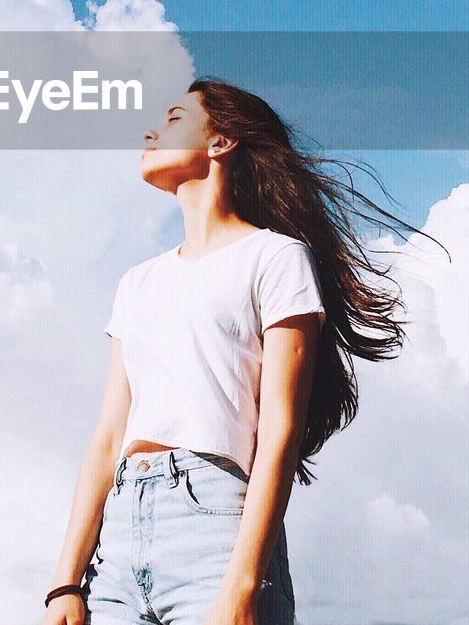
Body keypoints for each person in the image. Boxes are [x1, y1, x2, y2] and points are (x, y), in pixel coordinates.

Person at [41, 77, 448, 625]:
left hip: (214, 527)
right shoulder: (137, 282)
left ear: (221, 141)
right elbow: (107, 437)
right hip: (117, 542)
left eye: (174, 118)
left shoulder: (276, 259)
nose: (150, 130)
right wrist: (64, 584)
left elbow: (280, 429)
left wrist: (241, 586)